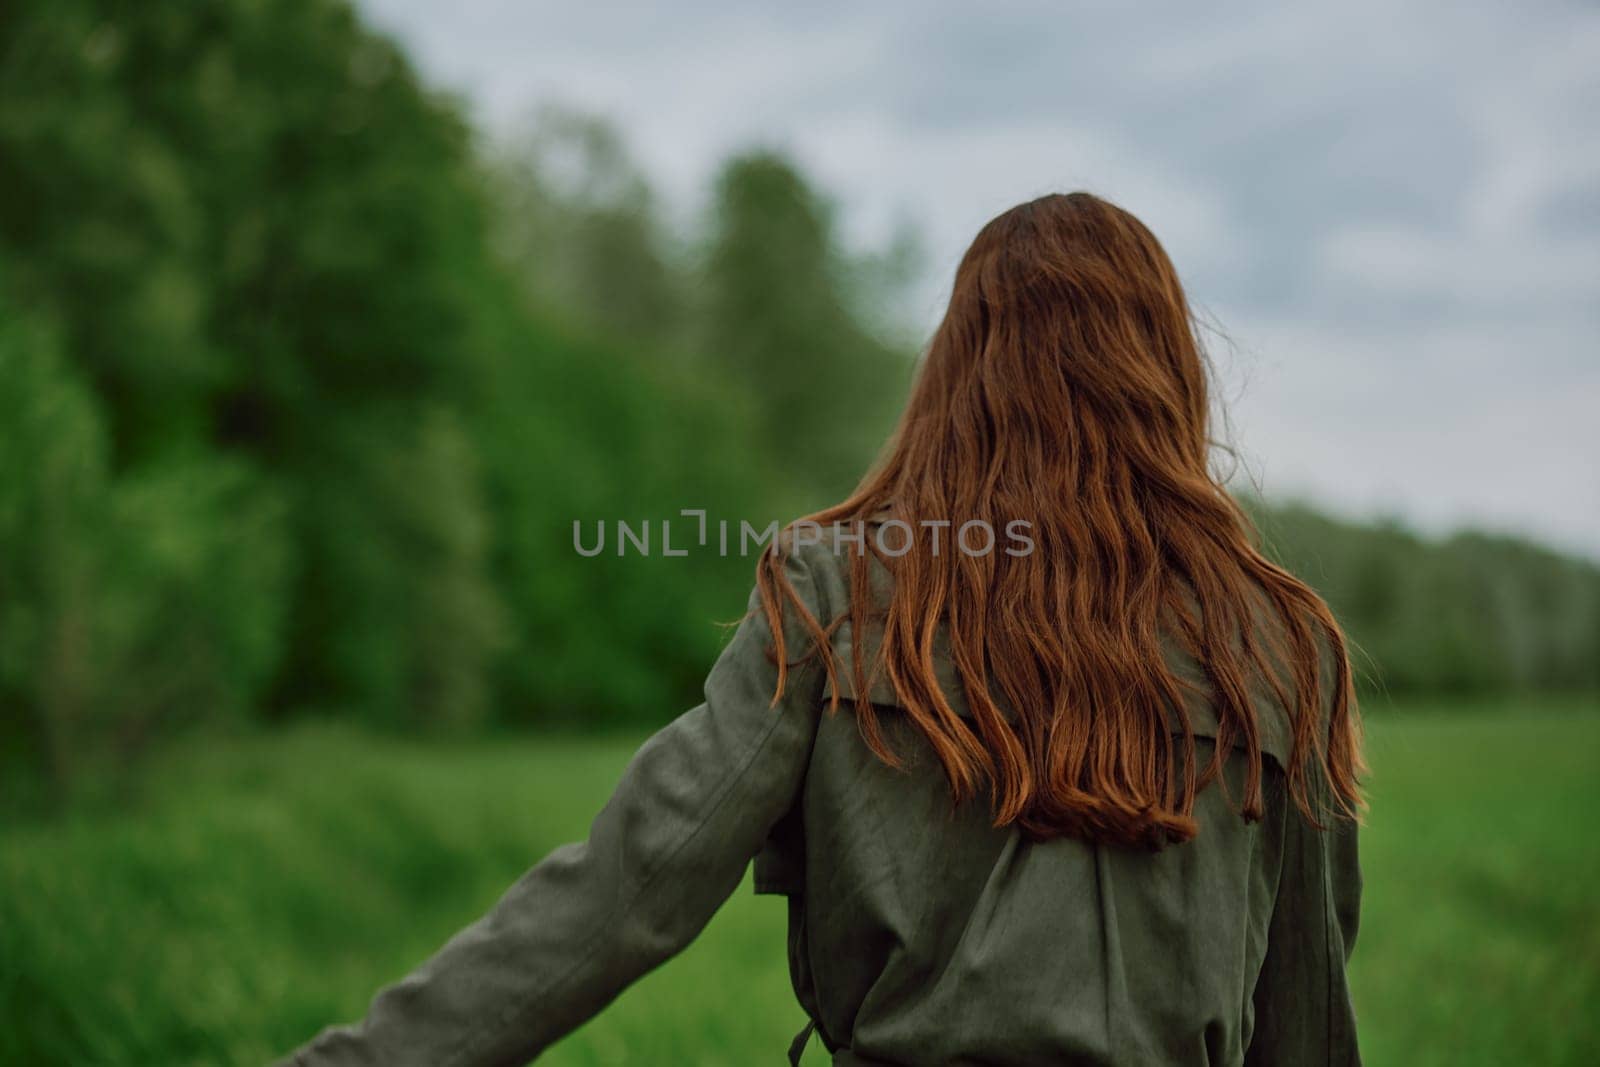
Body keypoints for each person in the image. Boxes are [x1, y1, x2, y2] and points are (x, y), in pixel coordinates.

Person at [280, 192, 1365, 1067]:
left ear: (959, 371)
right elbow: (1308, 1021)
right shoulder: (1277, 643)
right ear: (1163, 372)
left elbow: (625, 888)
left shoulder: (835, 587)